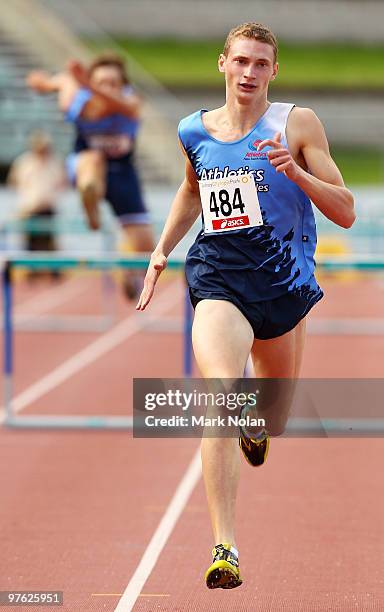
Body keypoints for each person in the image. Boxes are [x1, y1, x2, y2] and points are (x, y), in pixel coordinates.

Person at [136, 22, 355, 589]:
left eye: (261, 63)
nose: (250, 73)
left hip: (283, 289)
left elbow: (346, 210)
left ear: (274, 71)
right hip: (219, 280)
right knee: (221, 395)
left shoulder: (296, 123)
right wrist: (162, 251)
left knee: (272, 419)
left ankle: (255, 426)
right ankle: (224, 546)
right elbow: (191, 189)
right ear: (222, 65)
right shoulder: (194, 130)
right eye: (241, 62)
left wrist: (296, 171)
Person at [26, 53, 154, 298]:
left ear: (123, 85)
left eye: (112, 83)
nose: (105, 88)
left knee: (146, 246)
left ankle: (131, 275)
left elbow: (120, 106)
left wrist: (86, 84)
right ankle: (91, 199)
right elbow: (62, 83)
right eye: (100, 82)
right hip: (84, 165)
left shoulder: (130, 99)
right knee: (93, 159)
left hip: (122, 173)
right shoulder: (80, 96)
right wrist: (42, 83)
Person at [7, 130, 66, 280]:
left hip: (48, 208)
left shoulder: (55, 162)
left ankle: (54, 273)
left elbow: (62, 183)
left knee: (50, 242)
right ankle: (32, 273)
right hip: (29, 209)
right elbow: (14, 181)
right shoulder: (24, 162)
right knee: (30, 243)